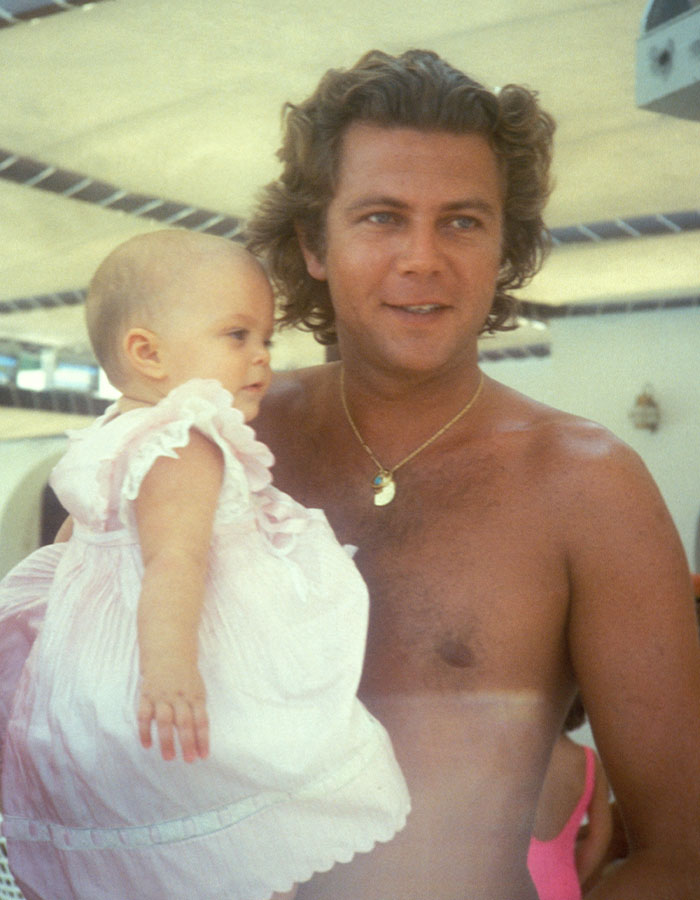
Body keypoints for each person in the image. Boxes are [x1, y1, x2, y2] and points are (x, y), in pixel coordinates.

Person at [245, 49, 700, 898]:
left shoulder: (589, 488)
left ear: (505, 246)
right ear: (312, 241)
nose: (423, 258)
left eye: (461, 221)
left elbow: (682, 853)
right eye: (382, 217)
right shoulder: (228, 443)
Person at [0, 230, 410, 900]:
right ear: (147, 352)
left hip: (107, 683)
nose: (261, 358)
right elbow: (175, 563)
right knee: (240, 836)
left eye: (266, 339)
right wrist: (170, 670)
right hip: (190, 669)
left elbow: (75, 542)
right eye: (236, 335)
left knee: (162, 852)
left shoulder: (110, 435)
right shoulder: (185, 440)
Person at [527, 695, 613, 899]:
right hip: (562, 887)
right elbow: (601, 836)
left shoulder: (512, 757)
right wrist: (572, 876)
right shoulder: (589, 761)